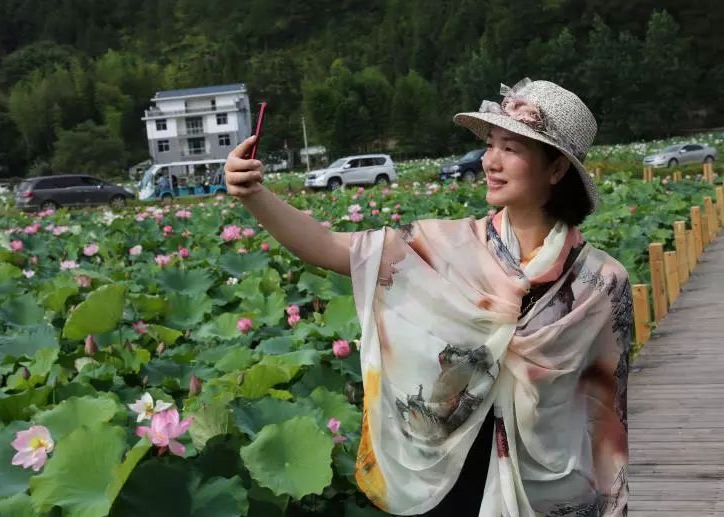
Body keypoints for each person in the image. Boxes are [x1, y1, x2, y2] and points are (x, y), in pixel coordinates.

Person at [224, 78, 631, 516]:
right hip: (449, 479)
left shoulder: (602, 283)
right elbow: (329, 247)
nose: (490, 161)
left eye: (511, 148)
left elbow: (606, 414)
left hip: (552, 491)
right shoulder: (445, 249)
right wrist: (255, 196)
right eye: (490, 144)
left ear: (556, 170)